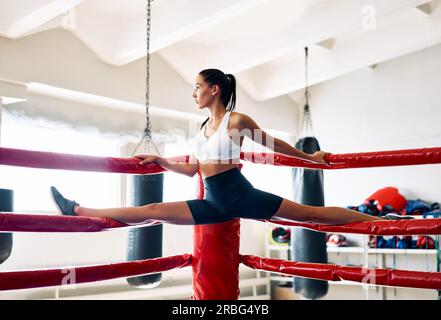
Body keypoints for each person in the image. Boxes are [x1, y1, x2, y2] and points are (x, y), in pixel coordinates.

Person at [50, 68, 413, 225]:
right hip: (213, 202)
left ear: (214, 90)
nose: (193, 92)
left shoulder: (235, 121)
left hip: (239, 196)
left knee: (312, 215)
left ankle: (380, 221)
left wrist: (311, 158)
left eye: (197, 87)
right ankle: (77, 209)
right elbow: (194, 169)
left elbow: (275, 146)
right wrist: (162, 160)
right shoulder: (202, 127)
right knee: (153, 208)